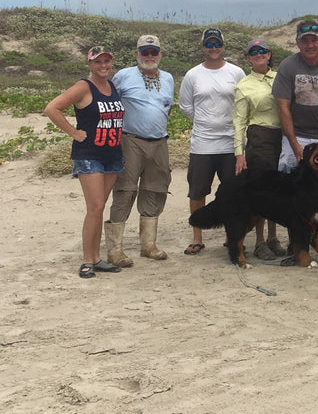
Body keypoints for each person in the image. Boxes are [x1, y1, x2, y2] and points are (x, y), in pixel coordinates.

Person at [44, 45, 126, 278]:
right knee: (95, 207)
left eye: (106, 61)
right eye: (98, 62)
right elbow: (52, 108)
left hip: (112, 155)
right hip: (90, 155)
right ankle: (87, 260)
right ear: (90, 64)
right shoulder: (83, 86)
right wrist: (74, 132)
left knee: (99, 209)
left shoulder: (112, 86)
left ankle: (97, 258)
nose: (103, 66)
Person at [272, 19, 318, 262]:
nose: (310, 45)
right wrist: (294, 145)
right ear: (298, 42)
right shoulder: (288, 66)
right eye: (305, 41)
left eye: (314, 39)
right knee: (294, 190)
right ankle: (296, 242)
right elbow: (283, 107)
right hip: (297, 134)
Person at [106, 34, 174, 265]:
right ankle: (115, 250)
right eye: (144, 52)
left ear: (160, 54)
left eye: (153, 52)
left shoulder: (168, 78)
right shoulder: (123, 75)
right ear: (137, 54)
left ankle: (148, 245)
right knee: (125, 190)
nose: (149, 56)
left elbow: (167, 107)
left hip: (159, 142)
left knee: (155, 189)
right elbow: (109, 104)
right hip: (130, 140)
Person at [179, 28, 245, 255]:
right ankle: (197, 237)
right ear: (202, 48)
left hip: (230, 143)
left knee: (233, 192)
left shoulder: (236, 72)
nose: (213, 48)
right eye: (209, 44)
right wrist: (206, 121)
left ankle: (232, 236)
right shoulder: (192, 75)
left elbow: (243, 102)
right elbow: (185, 106)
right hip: (202, 144)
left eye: (217, 44)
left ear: (224, 46)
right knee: (198, 191)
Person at [232, 39, 283, 257]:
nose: (259, 54)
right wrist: (239, 153)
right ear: (248, 58)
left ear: (269, 54)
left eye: (263, 51)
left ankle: (274, 237)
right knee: (263, 189)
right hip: (259, 137)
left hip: (284, 136)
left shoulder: (282, 77)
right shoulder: (244, 85)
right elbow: (239, 122)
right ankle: (260, 241)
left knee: (279, 189)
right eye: (254, 52)